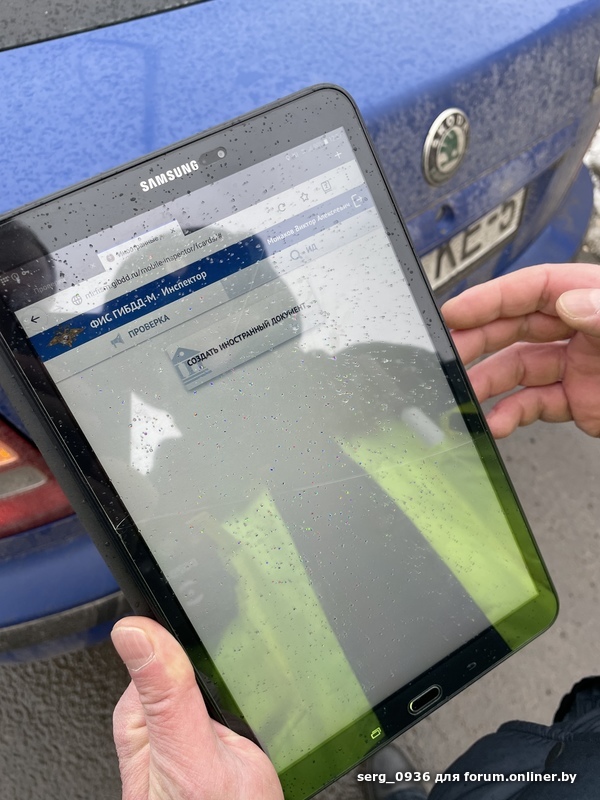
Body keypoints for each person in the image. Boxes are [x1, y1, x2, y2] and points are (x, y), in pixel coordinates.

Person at [111, 262, 600, 800]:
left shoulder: (377, 378)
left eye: (239, 309)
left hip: (476, 620)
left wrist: (399, 383)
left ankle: (395, 790)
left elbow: (474, 428)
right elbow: (194, 637)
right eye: (188, 341)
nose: (221, 347)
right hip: (365, 696)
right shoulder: (178, 498)